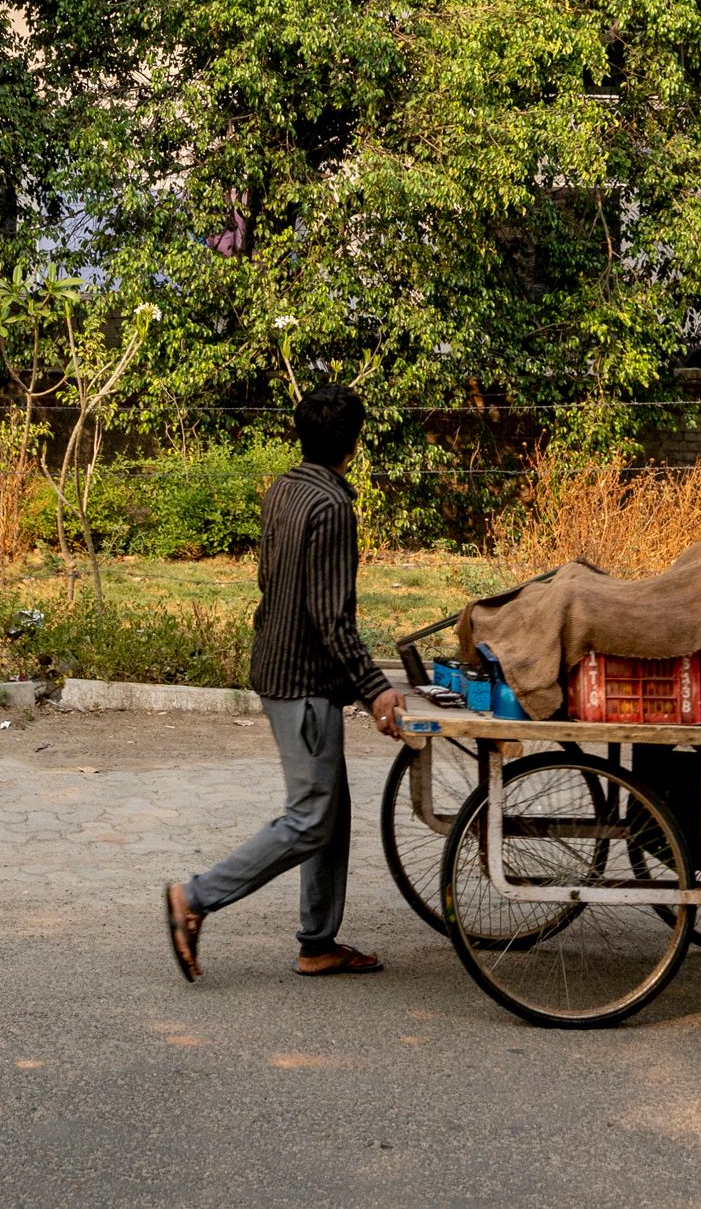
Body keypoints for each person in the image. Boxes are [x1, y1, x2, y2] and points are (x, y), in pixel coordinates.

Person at [165, 383, 404, 980]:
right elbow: (332, 618)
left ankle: (317, 942)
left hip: (278, 665)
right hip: (302, 681)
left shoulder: (284, 488)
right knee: (309, 818)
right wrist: (376, 688)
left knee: (331, 810)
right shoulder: (331, 507)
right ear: (354, 443)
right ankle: (194, 898)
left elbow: (271, 580)